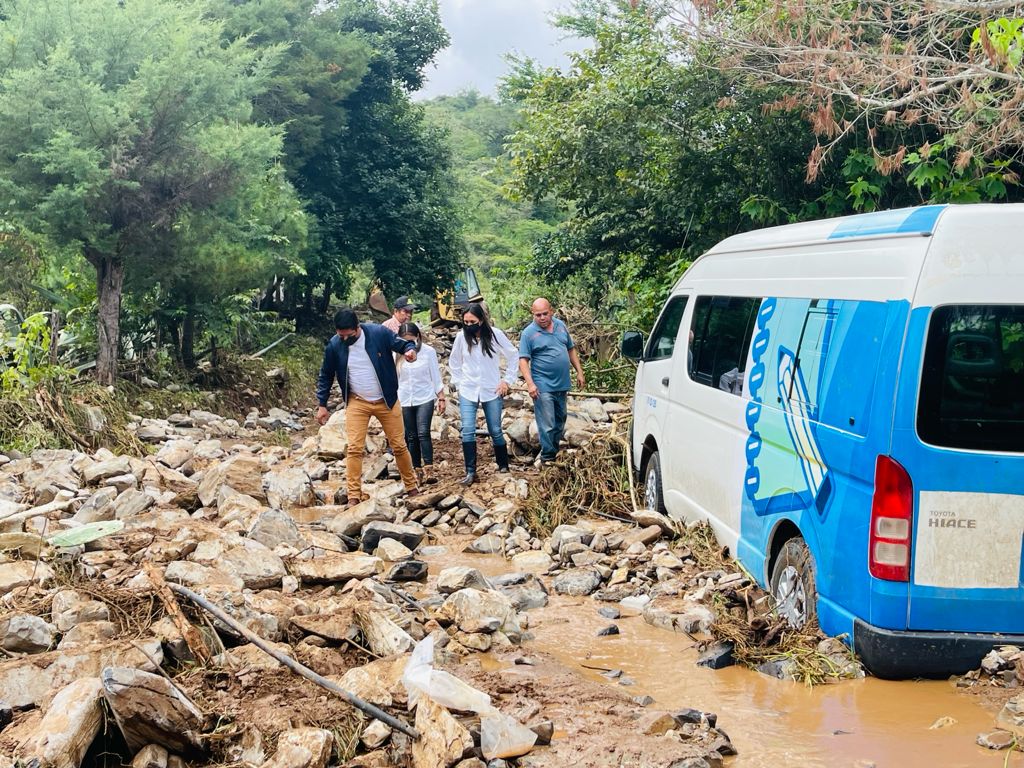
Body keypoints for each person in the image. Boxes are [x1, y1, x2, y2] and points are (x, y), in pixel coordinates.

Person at [315, 308, 420, 506]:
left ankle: (411, 486)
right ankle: (354, 495)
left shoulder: (377, 333)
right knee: (354, 448)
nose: (345, 339)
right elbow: (326, 375)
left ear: (357, 327)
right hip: (357, 401)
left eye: (349, 335)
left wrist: (409, 350)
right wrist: (322, 404)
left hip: (386, 400)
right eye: (341, 335)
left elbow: (402, 343)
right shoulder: (335, 345)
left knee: (398, 445)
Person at [449, 303, 519, 485]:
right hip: (468, 389)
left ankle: (503, 465)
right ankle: (470, 471)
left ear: (481, 320)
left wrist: (507, 381)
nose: (469, 325)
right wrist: (458, 382)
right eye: (465, 322)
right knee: (467, 431)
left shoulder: (495, 335)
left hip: (491, 388)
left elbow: (513, 355)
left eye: (472, 321)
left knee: (495, 429)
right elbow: (454, 362)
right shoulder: (460, 338)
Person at [518, 298, 586, 464]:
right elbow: (523, 361)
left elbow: (570, 348)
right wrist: (530, 384)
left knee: (560, 418)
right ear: (533, 314)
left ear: (552, 311)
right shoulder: (528, 333)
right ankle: (548, 457)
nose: (541, 318)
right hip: (542, 385)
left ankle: (552, 450)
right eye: (537, 315)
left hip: (562, 383)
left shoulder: (561, 326)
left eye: (545, 314)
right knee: (547, 422)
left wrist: (579, 371)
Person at [396, 322, 445, 485]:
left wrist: (441, 397)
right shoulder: (396, 354)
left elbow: (435, 376)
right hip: (404, 398)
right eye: (405, 340)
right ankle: (416, 470)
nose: (409, 344)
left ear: (418, 337)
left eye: (411, 339)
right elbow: (394, 379)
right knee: (411, 436)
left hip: (424, 396)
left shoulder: (428, 352)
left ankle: (429, 468)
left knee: (423, 432)